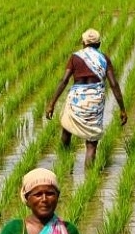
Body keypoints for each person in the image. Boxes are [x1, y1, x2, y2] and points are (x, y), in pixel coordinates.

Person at [45, 28, 127, 168]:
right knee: (91, 143)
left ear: (83, 43)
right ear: (99, 44)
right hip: (95, 101)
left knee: (66, 127)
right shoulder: (104, 58)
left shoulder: (75, 57)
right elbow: (113, 84)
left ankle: (64, 164)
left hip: (76, 99)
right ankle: (89, 175)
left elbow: (64, 81)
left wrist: (51, 103)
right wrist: (122, 109)